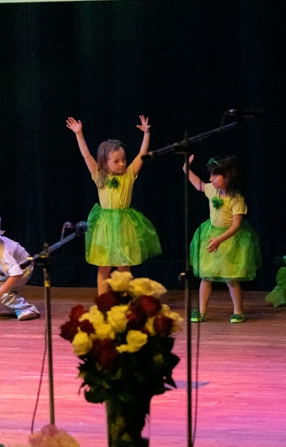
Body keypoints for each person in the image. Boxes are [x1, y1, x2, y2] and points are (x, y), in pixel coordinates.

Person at [65, 116, 161, 294]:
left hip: (124, 225)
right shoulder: (99, 175)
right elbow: (86, 155)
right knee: (104, 267)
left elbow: (142, 154)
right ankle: (103, 299)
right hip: (105, 226)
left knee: (124, 266)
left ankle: (125, 298)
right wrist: (78, 133)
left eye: (123, 159)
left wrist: (146, 134)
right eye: (116, 161)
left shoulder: (129, 174)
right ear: (105, 162)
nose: (122, 163)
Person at [184, 154, 261, 323]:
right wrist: (186, 169)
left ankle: (238, 311)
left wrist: (220, 239)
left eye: (215, 175)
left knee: (231, 278)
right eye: (210, 175)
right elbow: (198, 184)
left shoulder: (236, 199)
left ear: (228, 177)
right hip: (211, 235)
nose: (210, 179)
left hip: (229, 240)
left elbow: (236, 225)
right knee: (206, 276)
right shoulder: (212, 191)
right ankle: (201, 311)